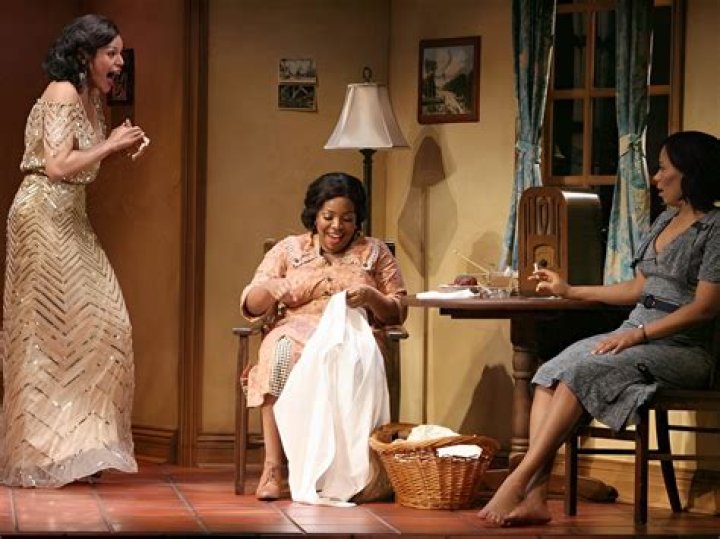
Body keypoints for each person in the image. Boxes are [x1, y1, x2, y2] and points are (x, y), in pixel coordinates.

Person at [479, 130, 720, 526]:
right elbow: (638, 289)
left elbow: (705, 307)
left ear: (690, 173)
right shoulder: (664, 220)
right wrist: (570, 290)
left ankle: (517, 479)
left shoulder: (715, 230)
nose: (656, 178)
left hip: (683, 349)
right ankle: (536, 497)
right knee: (548, 372)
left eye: (663, 169)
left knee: (584, 371)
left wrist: (638, 336)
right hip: (635, 330)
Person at [1, 14, 148, 487]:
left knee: (103, 326)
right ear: (85, 55)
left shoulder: (92, 98)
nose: (119, 63)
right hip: (40, 215)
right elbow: (58, 166)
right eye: (112, 53)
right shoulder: (63, 91)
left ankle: (80, 446)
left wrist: (119, 146)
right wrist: (111, 144)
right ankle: (42, 452)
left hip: (71, 216)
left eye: (120, 54)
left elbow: (82, 165)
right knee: (46, 332)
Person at [241, 172, 407, 501]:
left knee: (349, 360)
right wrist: (271, 288)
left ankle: (348, 471)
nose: (336, 226)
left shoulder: (374, 252)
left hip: (352, 332)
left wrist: (372, 297)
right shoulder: (288, 250)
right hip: (296, 329)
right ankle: (274, 468)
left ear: (357, 219)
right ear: (314, 216)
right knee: (279, 355)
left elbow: (398, 310)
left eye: (347, 218)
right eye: (328, 217)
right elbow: (251, 303)